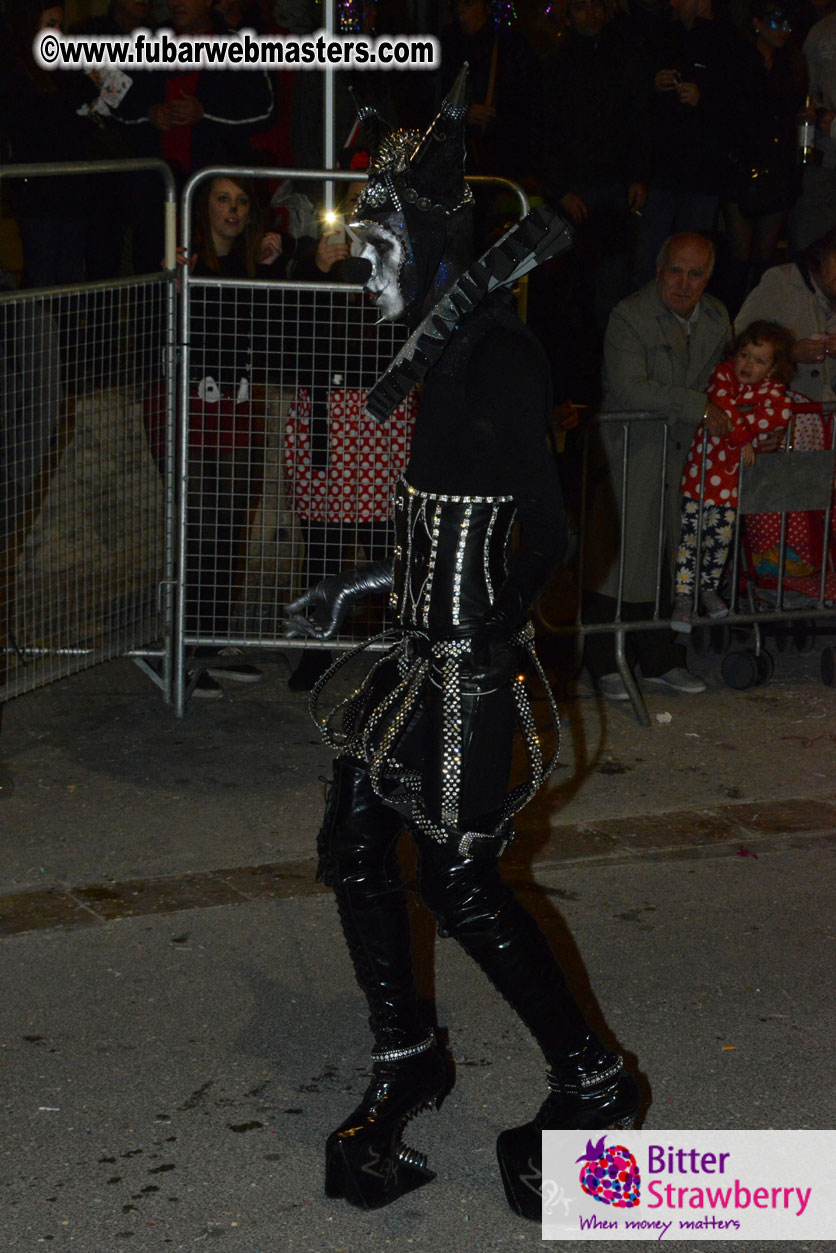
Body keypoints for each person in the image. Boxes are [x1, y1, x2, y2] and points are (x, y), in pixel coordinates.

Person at [285, 70, 640, 1220]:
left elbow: (544, 531)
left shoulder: (496, 358)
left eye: (378, 234)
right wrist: (359, 580)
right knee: (351, 842)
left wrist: (488, 631)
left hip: (468, 663)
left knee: (458, 880)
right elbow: (439, 524)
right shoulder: (437, 357)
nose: (363, 259)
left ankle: (593, 1077)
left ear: (434, 239)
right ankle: (409, 1056)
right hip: (411, 646)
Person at [584, 231, 730, 698]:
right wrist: (700, 407)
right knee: (624, 557)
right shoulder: (630, 315)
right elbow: (630, 388)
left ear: (708, 277)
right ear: (658, 268)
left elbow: (724, 383)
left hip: (687, 455)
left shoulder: (716, 317)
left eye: (696, 273)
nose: (685, 283)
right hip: (633, 449)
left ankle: (662, 659)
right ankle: (605, 663)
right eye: (676, 270)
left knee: (675, 556)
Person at [672, 320, 795, 631]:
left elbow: (779, 413)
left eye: (759, 360)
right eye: (744, 354)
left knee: (719, 544)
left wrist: (739, 422)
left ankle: (709, 590)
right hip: (699, 480)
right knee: (689, 541)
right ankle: (684, 599)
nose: (748, 364)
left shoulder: (774, 392)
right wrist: (741, 436)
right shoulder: (723, 375)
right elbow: (721, 403)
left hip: (730, 487)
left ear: (772, 369)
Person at [719, 1, 807, 315]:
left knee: (764, 261)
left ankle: (757, 322)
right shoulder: (738, 59)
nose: (783, 30)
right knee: (739, 258)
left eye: (787, 22)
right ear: (757, 22)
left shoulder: (792, 64)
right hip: (741, 168)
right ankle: (730, 323)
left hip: (777, 170)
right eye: (775, 21)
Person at [735, 226, 836, 407]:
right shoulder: (782, 281)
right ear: (822, 255)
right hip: (774, 414)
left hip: (825, 420)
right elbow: (738, 341)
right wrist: (790, 353)